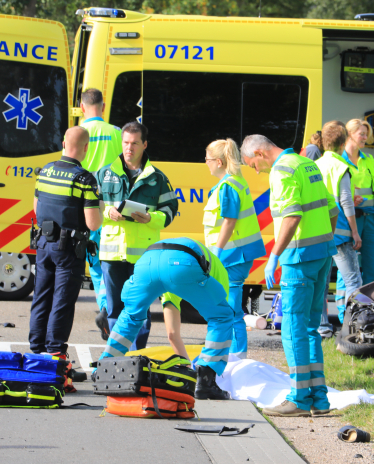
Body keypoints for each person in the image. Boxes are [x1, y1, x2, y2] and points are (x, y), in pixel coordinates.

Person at [241, 134, 337, 417]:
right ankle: (319, 399)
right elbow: (331, 209)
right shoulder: (306, 164)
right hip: (321, 255)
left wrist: (273, 257)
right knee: (309, 328)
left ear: (259, 153)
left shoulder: (282, 170)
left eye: (252, 165)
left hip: (298, 259)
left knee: (293, 330)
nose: (256, 171)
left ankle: (297, 398)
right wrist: (323, 240)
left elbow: (292, 216)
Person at [160, 139, 266, 361]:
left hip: (231, 255)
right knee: (228, 309)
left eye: (207, 159)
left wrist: (216, 251)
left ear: (218, 161)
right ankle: (230, 356)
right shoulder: (234, 182)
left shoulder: (228, 186)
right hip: (235, 254)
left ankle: (235, 359)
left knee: (230, 311)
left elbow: (229, 220)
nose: (205, 163)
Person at [96, 237, 233, 400]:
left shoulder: (177, 280)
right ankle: (206, 381)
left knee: (131, 317)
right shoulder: (220, 275)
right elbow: (218, 316)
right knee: (222, 317)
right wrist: (193, 372)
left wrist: (186, 367)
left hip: (147, 262)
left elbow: (172, 333)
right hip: (183, 263)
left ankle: (103, 368)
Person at [30, 126, 103, 391]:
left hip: (43, 244)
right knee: (62, 301)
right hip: (68, 249)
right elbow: (93, 223)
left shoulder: (45, 171)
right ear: (86, 148)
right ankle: (55, 355)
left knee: (42, 295)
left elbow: (36, 208)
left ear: (63, 143)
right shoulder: (84, 179)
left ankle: (36, 352)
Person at [96, 121, 179, 350]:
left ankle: (138, 357)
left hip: (144, 256)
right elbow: (91, 206)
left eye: (134, 143)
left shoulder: (158, 178)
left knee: (140, 309)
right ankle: (116, 356)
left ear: (144, 145)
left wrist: (151, 218)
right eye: (125, 143)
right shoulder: (104, 174)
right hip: (112, 255)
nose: (128, 148)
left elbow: (171, 210)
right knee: (114, 309)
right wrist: (107, 212)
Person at [78, 87, 123, 340]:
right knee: (110, 261)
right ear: (103, 107)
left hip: (86, 207)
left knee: (94, 265)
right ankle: (113, 309)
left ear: (83, 107)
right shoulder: (117, 133)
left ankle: (106, 305)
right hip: (112, 206)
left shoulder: (78, 133)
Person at [316, 121, 363, 325]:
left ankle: (322, 326)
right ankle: (353, 326)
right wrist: (355, 231)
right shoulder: (341, 167)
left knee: (321, 284)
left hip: (319, 233)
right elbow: (345, 201)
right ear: (343, 143)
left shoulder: (314, 166)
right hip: (341, 233)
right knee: (353, 280)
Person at [340, 119, 374, 283]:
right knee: (346, 270)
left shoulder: (369, 160)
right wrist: (349, 199)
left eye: (366, 134)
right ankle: (343, 309)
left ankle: (369, 308)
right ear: (350, 134)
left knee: (372, 267)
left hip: (372, 220)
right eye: (362, 134)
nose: (365, 137)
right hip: (351, 220)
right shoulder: (339, 160)